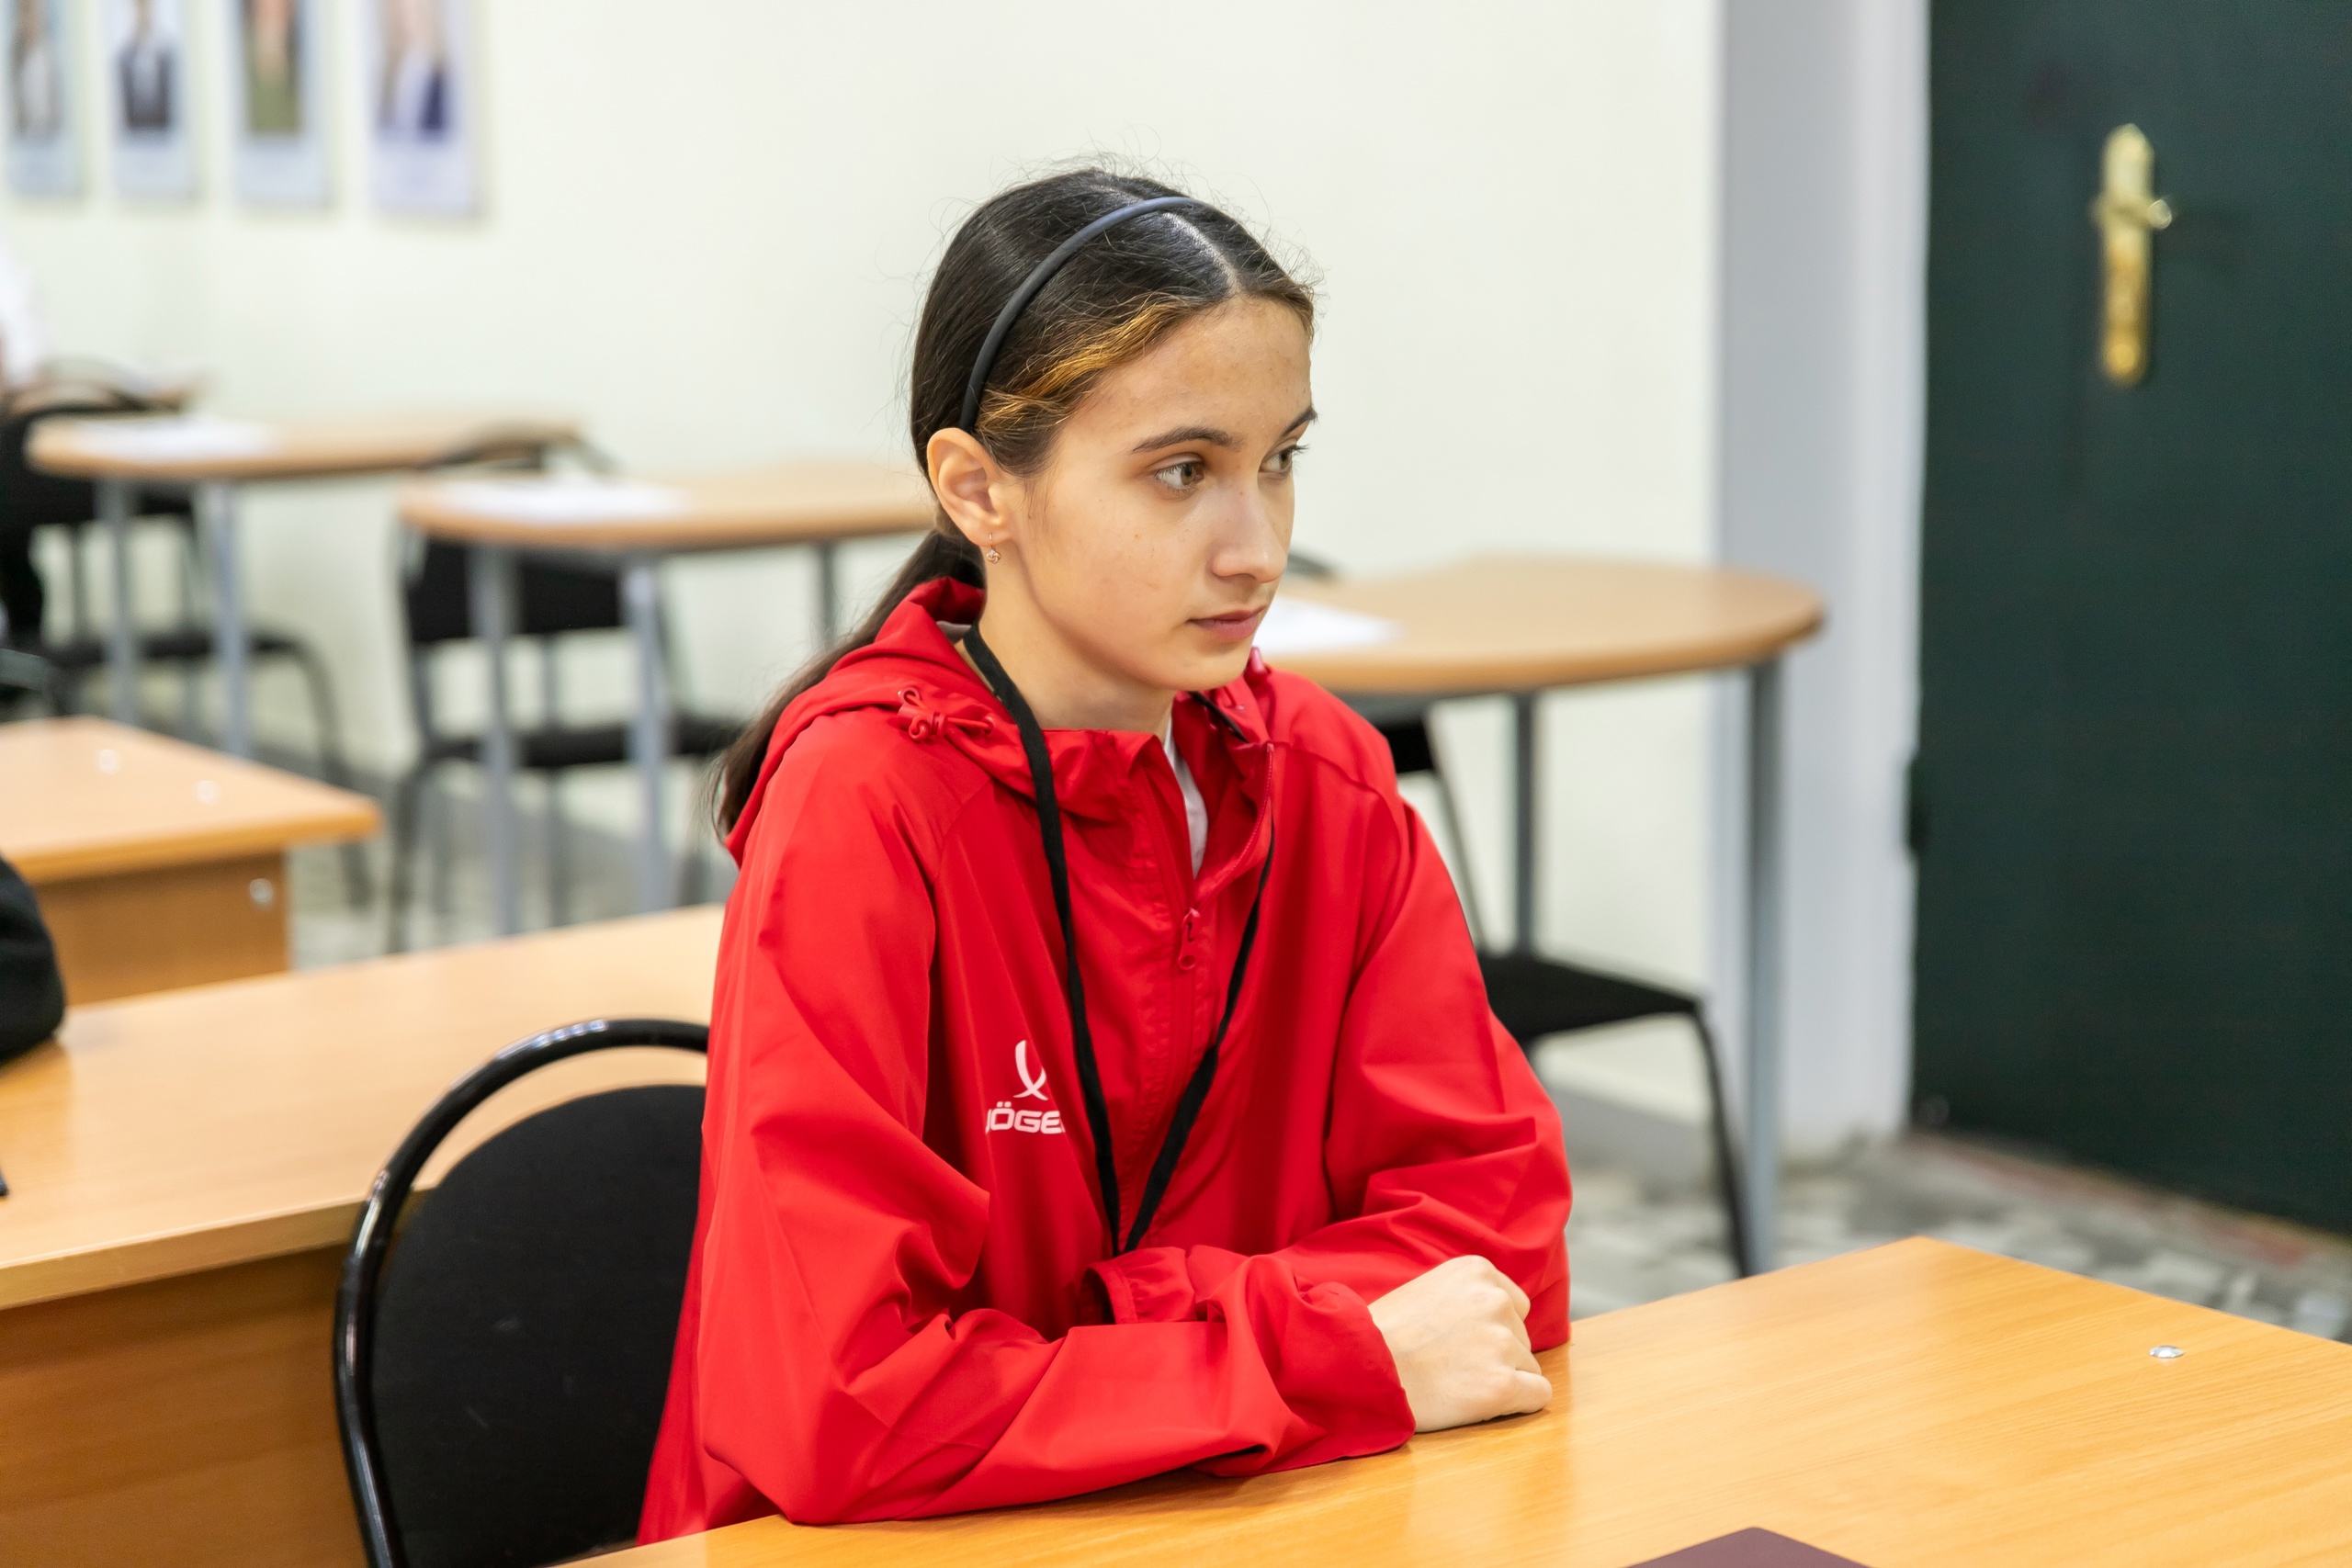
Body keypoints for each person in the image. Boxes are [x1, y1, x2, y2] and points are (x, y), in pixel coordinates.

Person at [639, 169, 1572, 1535]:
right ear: (979, 489)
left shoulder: (1325, 778)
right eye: (1181, 473)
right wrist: (1316, 1354)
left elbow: (1497, 1247)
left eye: (1280, 461)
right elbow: (842, 1408)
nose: (1258, 549)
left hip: (1246, 1513)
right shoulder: (865, 805)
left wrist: (1123, 1348)